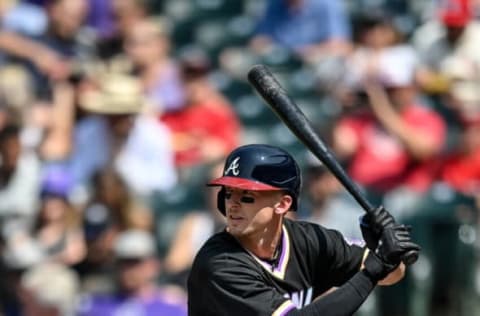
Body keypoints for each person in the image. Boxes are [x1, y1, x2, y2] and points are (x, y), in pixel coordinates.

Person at [187, 144, 420, 315]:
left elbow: (392, 275)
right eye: (228, 194)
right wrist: (373, 270)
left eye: (247, 196)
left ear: (283, 203)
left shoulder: (308, 239)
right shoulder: (220, 263)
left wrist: (385, 255)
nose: (233, 204)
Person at [77, 229, 187, 316]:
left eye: (135, 262)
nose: (128, 269)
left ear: (153, 265)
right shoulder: (96, 305)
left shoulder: (173, 308)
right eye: (122, 262)